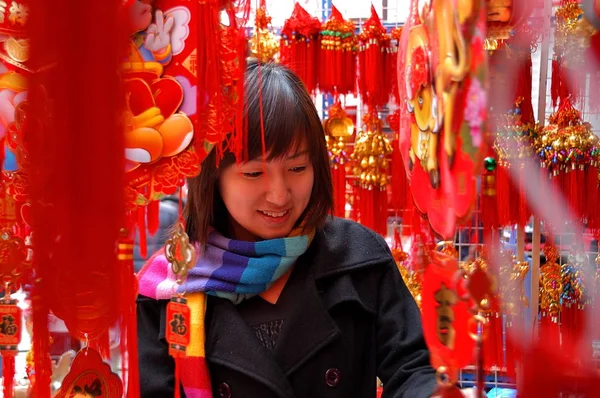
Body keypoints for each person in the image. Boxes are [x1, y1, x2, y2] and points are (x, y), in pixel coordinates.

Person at [136, 60, 437, 397]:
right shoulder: (170, 286)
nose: (280, 195)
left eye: (297, 167)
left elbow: (415, 366)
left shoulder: (358, 257)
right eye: (254, 174)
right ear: (214, 177)